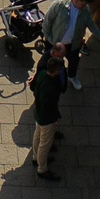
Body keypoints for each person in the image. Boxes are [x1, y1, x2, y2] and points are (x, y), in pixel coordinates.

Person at [43, 0, 100, 88]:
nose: (83, 7)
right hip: (55, 42)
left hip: (72, 44)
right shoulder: (59, 5)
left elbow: (91, 25)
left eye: (85, 5)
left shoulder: (85, 10)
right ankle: (46, 77)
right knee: (48, 61)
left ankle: (72, 77)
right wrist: (48, 37)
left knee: (74, 61)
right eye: (82, 5)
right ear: (75, 0)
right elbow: (47, 21)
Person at [28, 46, 68, 181]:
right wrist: (56, 117)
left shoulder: (41, 74)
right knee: (45, 144)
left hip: (38, 113)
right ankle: (42, 169)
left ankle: (35, 157)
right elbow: (49, 105)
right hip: (47, 118)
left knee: (37, 135)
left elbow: (34, 87)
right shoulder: (52, 87)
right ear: (56, 70)